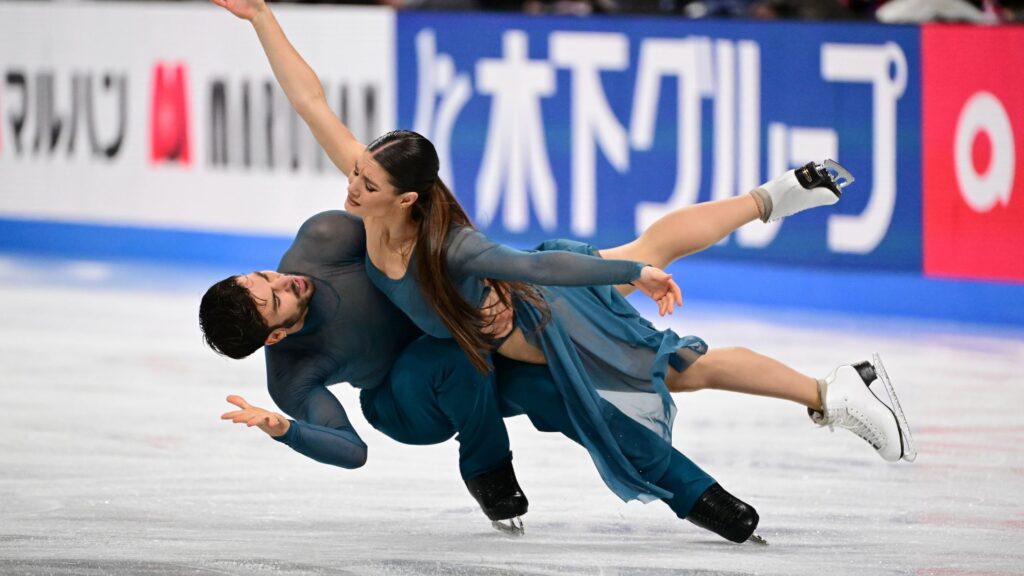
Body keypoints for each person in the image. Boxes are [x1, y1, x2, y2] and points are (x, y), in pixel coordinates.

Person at [205, 0, 915, 544]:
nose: (350, 184)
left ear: (405, 198)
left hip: (540, 317)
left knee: (679, 367)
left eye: (364, 179)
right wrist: (263, 18)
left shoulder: (433, 245)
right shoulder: (371, 211)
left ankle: (832, 391)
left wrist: (632, 274)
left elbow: (531, 264)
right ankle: (774, 198)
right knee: (655, 257)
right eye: (274, 299)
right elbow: (311, 106)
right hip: (522, 310)